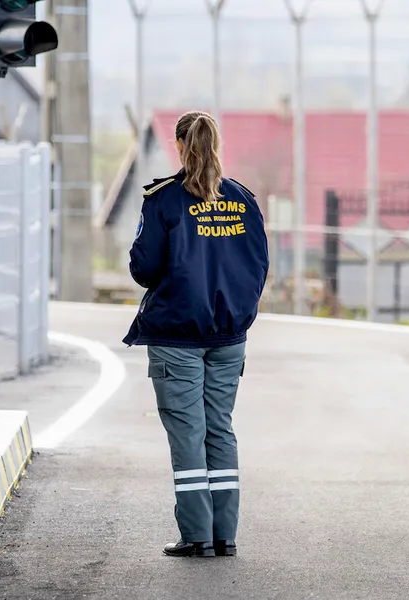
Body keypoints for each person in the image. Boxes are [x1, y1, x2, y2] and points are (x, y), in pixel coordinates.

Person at [123, 111, 270, 557]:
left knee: (188, 434)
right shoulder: (243, 198)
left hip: (177, 335)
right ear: (216, 143)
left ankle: (196, 535)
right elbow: (258, 265)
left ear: (179, 145)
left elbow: (143, 269)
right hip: (229, 336)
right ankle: (224, 533)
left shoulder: (164, 199)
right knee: (219, 430)